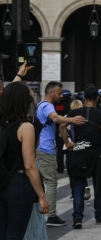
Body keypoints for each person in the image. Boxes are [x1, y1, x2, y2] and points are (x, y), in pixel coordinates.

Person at [60, 84, 101, 229]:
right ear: (97, 98)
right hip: (96, 153)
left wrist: (67, 143)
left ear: (84, 98)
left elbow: (61, 126)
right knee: (98, 185)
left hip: (79, 151)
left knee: (79, 184)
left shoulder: (74, 112)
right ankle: (99, 214)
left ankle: (77, 217)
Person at [0, 81, 50, 239]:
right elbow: (29, 166)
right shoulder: (25, 127)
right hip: (19, 184)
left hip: (1, 180)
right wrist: (41, 196)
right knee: (15, 233)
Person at [36, 81, 86, 227]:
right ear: (50, 93)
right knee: (51, 181)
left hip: (41, 147)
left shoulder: (40, 105)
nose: (61, 95)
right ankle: (51, 215)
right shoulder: (47, 106)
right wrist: (73, 119)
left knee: (42, 180)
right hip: (45, 148)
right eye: (59, 93)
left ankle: (43, 212)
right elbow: (56, 118)